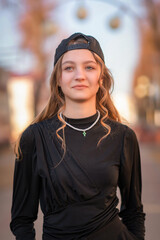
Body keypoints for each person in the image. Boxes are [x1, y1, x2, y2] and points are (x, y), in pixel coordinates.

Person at [10, 32, 145, 240]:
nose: (79, 75)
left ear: (101, 78)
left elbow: (134, 212)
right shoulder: (35, 138)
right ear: (58, 79)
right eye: (69, 68)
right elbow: (21, 220)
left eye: (89, 67)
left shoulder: (123, 136)